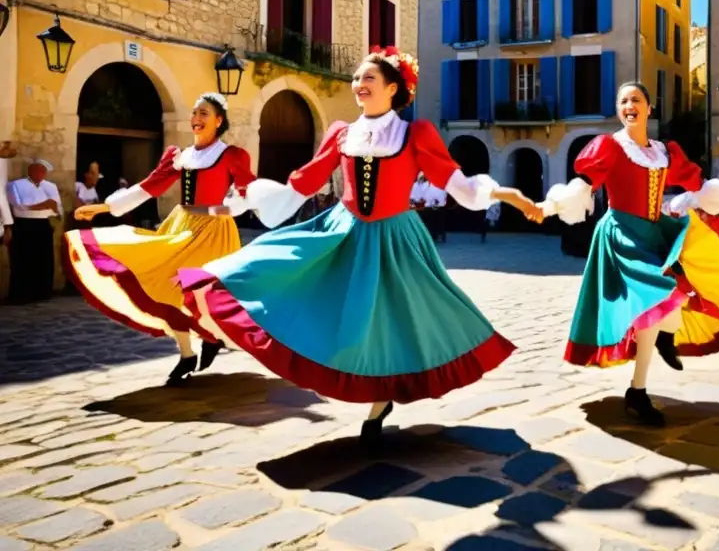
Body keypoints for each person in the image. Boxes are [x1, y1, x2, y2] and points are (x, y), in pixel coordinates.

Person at [176, 47, 544, 444]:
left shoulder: (414, 132)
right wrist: (240, 201)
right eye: (356, 79)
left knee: (390, 320)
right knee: (296, 284)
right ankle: (358, 383)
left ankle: (380, 399)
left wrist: (509, 195)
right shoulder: (341, 132)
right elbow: (304, 182)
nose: (358, 84)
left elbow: (457, 183)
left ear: (392, 88)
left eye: (368, 78)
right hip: (343, 231)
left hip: (395, 238)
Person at [540, 82, 719, 427]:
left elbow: (695, 183)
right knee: (659, 299)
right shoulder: (609, 147)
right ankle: (641, 386)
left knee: (669, 302)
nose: (629, 105)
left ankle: (653, 361)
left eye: (636, 99)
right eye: (623, 101)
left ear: (649, 109)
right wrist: (550, 206)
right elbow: (584, 184)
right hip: (622, 235)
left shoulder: (664, 151)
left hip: (654, 233)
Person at [65, 92, 256, 382]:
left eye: (204, 113)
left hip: (214, 229)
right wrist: (106, 206)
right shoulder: (180, 157)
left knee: (205, 293)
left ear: (219, 120)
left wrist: (218, 209)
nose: (197, 118)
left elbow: (247, 195)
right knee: (167, 286)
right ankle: (186, 354)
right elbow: (149, 186)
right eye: (195, 112)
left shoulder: (231, 155)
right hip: (182, 224)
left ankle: (213, 337)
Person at [6, 158, 63, 303]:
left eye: (43, 171)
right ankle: (21, 294)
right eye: (37, 170)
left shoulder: (50, 186)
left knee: (43, 260)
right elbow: (19, 205)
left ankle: (42, 292)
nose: (40, 174)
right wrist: (44, 205)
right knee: (22, 259)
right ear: (30, 171)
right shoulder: (15, 185)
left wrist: (48, 207)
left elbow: (57, 208)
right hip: (24, 225)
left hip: (43, 225)